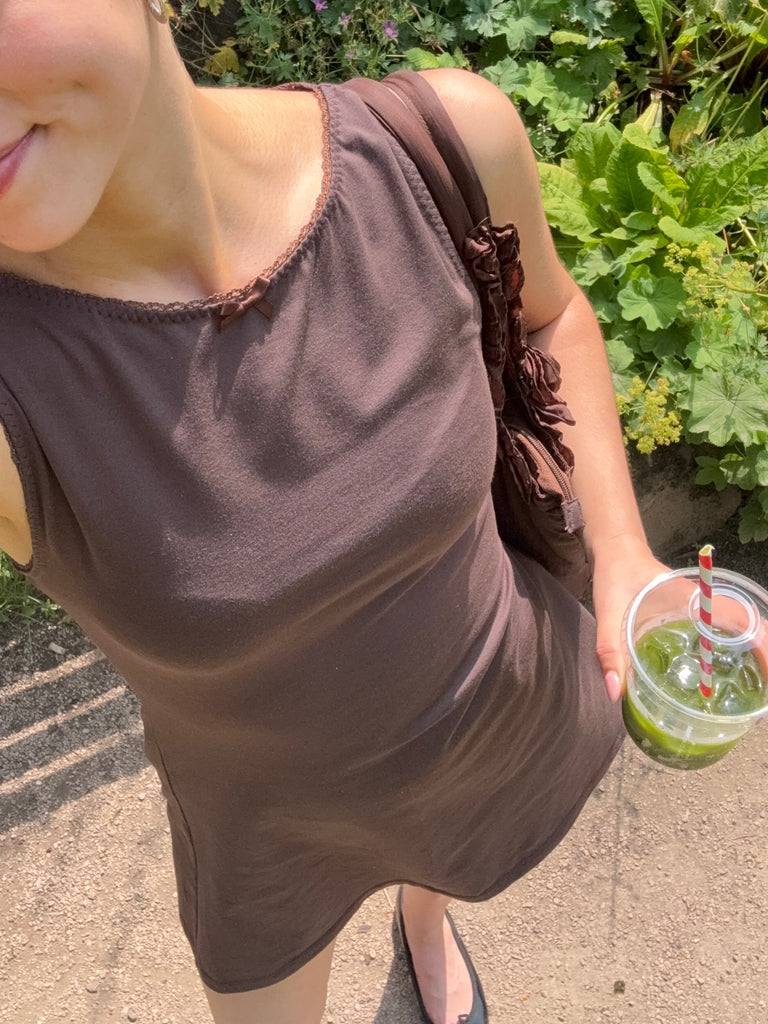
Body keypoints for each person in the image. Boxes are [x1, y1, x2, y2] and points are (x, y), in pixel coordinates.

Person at [0, 2, 667, 1022]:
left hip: (476, 707)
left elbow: (553, 312)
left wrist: (623, 550)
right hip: (269, 831)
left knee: (445, 844)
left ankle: (426, 919)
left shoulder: (438, 143)